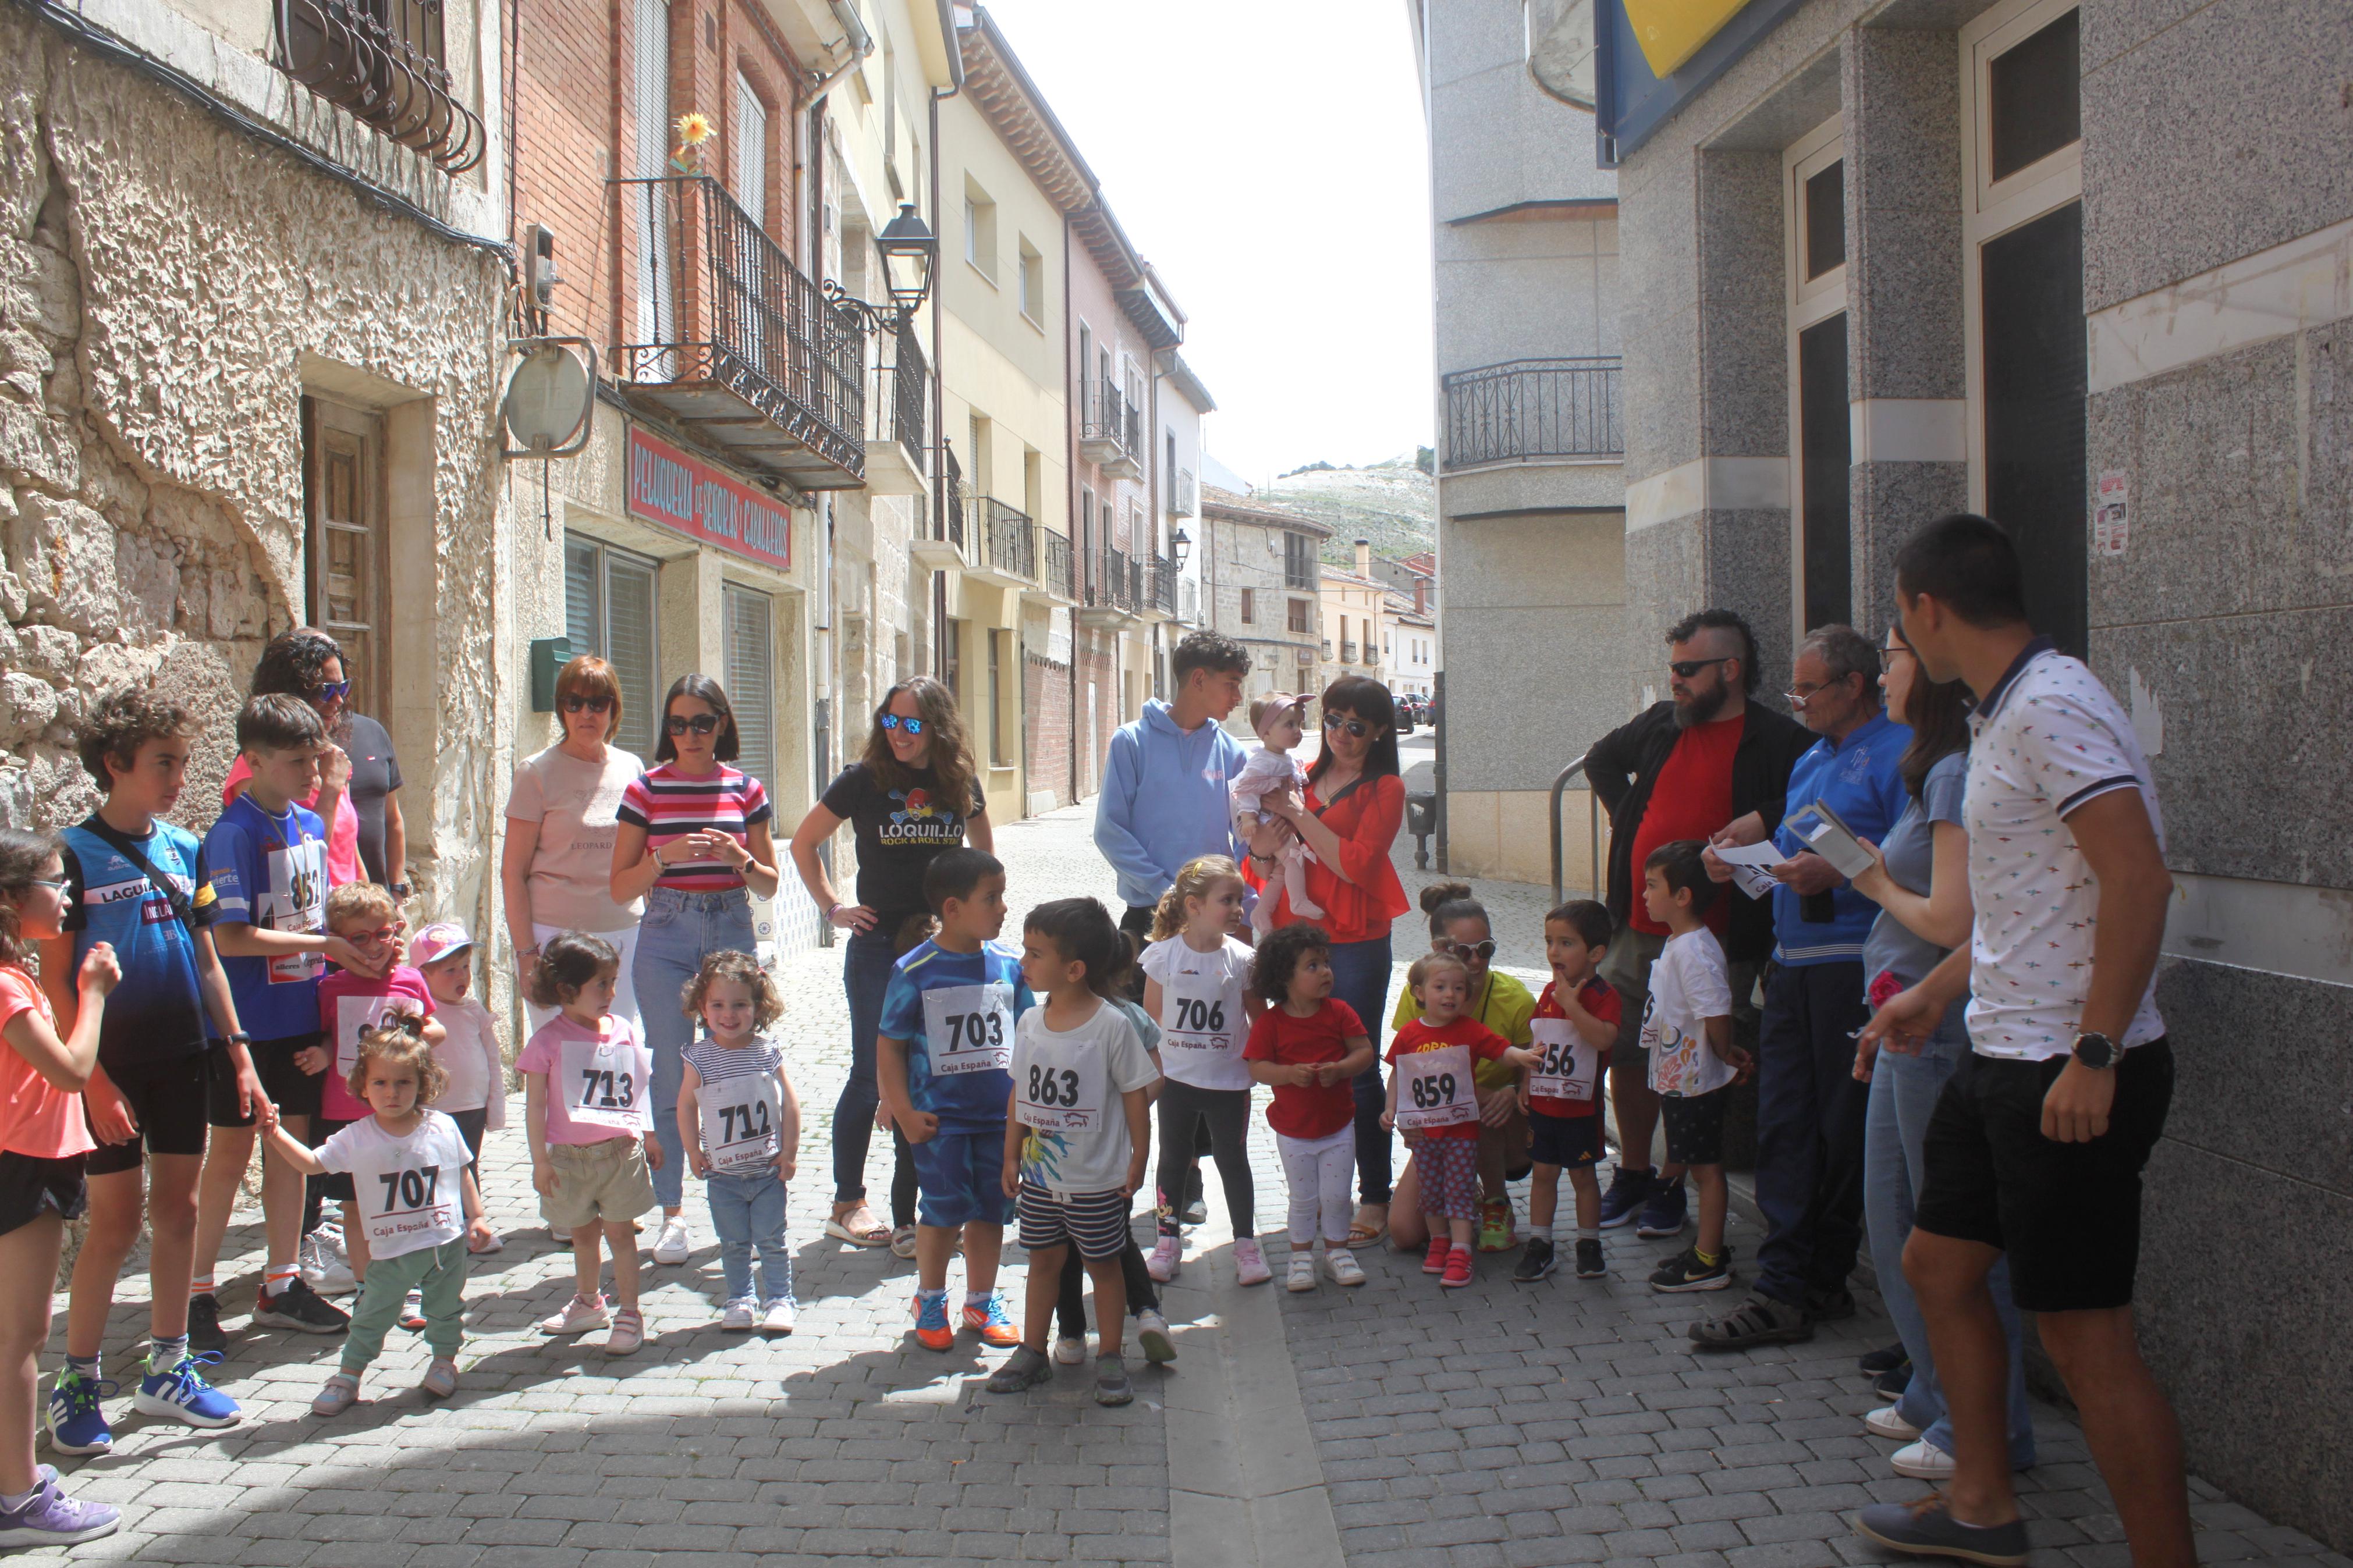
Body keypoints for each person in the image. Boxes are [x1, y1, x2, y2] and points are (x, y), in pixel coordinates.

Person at [1854, 515, 2185, 1567]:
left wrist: (2095, 1054)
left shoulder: (2048, 706)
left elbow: (2135, 876)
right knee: (1937, 1267)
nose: (1900, 639)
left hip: (2067, 1072)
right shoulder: (1998, 715)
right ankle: (1982, 1507)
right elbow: (2029, 909)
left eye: (1898, 622)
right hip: (1997, 1055)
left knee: (2087, 1341)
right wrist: (1929, 997)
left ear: (1925, 607)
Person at [1847, 623, 2036, 1484]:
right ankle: (1933, 1392)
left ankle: (1985, 1430)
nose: (1880, 674)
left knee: (1943, 1232)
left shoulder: (1956, 769)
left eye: (1888, 655)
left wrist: (1873, 883)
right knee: (1893, 1222)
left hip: (1938, 1023)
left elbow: (1953, 920)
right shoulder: (1928, 771)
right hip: (1901, 1018)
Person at [1691, 625, 1910, 1347]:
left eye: (1809, 688)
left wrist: (1837, 871)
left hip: (1852, 964)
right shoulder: (1810, 757)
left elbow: (1912, 863)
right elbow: (1793, 847)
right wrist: (1741, 862)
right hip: (1794, 960)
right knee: (1785, 1122)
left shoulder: (1897, 752)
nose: (1798, 701)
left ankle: (1810, 1282)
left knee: (1839, 1131)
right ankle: (1790, 1284)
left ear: (1855, 684)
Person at [48, 692, 260, 1383]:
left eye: (184, 763)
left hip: (185, 1054)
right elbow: (57, 984)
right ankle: (78, 1377)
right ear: (115, 764)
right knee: (112, 1226)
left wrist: (239, 1051)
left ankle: (169, 1366)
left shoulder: (187, 848)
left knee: (180, 1207)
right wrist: (95, 1083)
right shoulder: (72, 856)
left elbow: (208, 961)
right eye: (163, 763)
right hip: (112, 1066)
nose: (177, 779)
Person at [1584, 610, 1812, 1238]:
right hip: (1637, 923)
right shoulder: (1663, 722)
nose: (1676, 682)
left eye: (1687, 670)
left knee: (1694, 1064)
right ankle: (1632, 1171)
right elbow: (1600, 760)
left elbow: (1806, 805)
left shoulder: (1777, 739)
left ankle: (1670, 1181)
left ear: (1729, 670)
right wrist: (1626, 817)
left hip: (1719, 936)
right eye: (1673, 669)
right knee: (1629, 1049)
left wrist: (1762, 820)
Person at [200, 694, 381, 1346]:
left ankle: (280, 1283)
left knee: (290, 1154)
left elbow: (323, 908)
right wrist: (324, 946)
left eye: (315, 757)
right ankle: (195, 1291)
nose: (311, 771)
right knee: (229, 1155)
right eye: (295, 760)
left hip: (302, 1017)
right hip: (246, 1025)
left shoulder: (308, 822)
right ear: (252, 761)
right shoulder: (233, 831)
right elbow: (234, 936)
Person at [790, 676, 990, 1256]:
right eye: (891, 722)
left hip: (941, 942)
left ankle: (933, 1204)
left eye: (911, 724)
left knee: (939, 1072)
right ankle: (846, 1203)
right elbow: (805, 842)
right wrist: (833, 906)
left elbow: (983, 852)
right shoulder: (863, 780)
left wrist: (977, 914)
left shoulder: (957, 782)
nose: (899, 735)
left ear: (937, 727)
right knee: (870, 1073)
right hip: (879, 944)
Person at [611, 674, 780, 1265]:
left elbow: (769, 882)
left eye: (701, 723)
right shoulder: (645, 789)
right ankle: (672, 1212)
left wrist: (740, 859)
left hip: (731, 925)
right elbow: (619, 886)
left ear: (721, 725)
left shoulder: (746, 787)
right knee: (669, 1068)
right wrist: (665, 857)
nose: (690, 735)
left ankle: (741, 1199)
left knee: (733, 1067)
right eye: (678, 723)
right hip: (665, 933)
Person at [1248, 675, 1408, 1248]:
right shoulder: (1301, 777)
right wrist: (1262, 834)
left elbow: (1355, 865)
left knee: (1357, 1064)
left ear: (1380, 731)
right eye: (1334, 721)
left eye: (1356, 725)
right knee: (1303, 1056)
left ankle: (1374, 1193)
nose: (1341, 734)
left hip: (1358, 937)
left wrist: (1298, 813)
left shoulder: (1385, 786)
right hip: (1298, 936)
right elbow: (1265, 850)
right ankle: (1319, 1196)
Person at [262, 1018, 491, 1414]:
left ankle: (443, 1362)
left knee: (445, 1309)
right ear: (362, 1086)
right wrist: (275, 1133)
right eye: (381, 1082)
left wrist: (478, 1216)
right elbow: (313, 1164)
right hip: (389, 1250)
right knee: (371, 1314)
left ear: (423, 1083)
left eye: (403, 1082)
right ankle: (348, 1376)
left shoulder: (442, 1126)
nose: (392, 1092)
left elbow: (461, 1171)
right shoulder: (357, 1135)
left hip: (444, 1244)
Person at [0, 828, 123, 1544]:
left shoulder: (15, 973)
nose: (69, 894)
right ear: (15, 901)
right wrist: (93, 993)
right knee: (22, 1336)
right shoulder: (9, 987)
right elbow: (72, 1072)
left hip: (30, 1158)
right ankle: (18, 1500)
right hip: (25, 1165)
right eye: (55, 883)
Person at [986, 899, 1159, 1408]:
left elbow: (1134, 1093)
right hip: (1040, 1179)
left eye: (1035, 953)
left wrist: (1138, 1156)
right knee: (1042, 1262)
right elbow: (1019, 1092)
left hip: (1096, 1180)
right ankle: (1033, 1351)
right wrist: (1011, 1154)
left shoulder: (1111, 1026)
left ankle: (1109, 1354)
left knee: (1103, 1266)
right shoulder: (1030, 1023)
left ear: (1074, 968)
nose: (1023, 961)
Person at [874, 849, 1027, 1354]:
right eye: (992, 897)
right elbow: (889, 1045)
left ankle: (981, 1300)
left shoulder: (1009, 966)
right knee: (942, 1211)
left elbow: (1029, 1037)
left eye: (1002, 895)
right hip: (939, 1120)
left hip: (998, 1119)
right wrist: (902, 1110)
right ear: (953, 907)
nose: (1003, 907)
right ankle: (931, 1298)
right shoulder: (915, 969)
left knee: (990, 1210)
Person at [521, 933, 662, 1357]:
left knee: (621, 1234)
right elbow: (534, 1106)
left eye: (614, 981)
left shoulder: (622, 1030)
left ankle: (630, 1312)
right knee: (583, 1236)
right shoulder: (547, 1041)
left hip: (620, 1153)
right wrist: (540, 1161)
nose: (612, 993)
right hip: (568, 1159)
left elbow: (639, 1087)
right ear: (566, 990)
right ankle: (588, 1301)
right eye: (601, 984)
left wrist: (650, 1133)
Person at [315, 883, 446, 1325]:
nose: (375, 946)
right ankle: (367, 1288)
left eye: (383, 933)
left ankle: (406, 1289)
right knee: (354, 1207)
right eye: (359, 938)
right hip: (346, 1113)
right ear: (337, 942)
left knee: (400, 1206)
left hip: (400, 1116)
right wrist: (323, 1052)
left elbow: (435, 1028)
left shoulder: (409, 980)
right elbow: (329, 1036)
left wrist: (417, 1036)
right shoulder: (329, 986)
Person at [503, 656, 648, 1039]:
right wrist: (525, 954)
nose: (586, 712)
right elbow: (513, 872)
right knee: (560, 1057)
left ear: (613, 709)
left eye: (598, 703)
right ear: (562, 708)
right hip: (555, 938)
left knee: (614, 1053)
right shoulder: (536, 771)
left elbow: (644, 858)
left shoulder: (632, 768)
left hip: (623, 935)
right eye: (575, 702)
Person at [1387, 886, 1536, 1254]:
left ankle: (1496, 1202)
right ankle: (1466, 1189)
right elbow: (1405, 1069)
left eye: (1484, 950)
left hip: (1502, 1124)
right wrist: (1404, 1115)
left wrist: (1512, 1091)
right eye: (1462, 951)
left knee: (1477, 1103)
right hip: (1441, 1127)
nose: (1475, 961)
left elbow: (1534, 1067)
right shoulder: (1418, 994)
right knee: (1405, 1233)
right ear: (1439, 949)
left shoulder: (1516, 998)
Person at [1139, 856, 1265, 1285]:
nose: (1238, 908)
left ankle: (1246, 1245)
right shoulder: (1161, 955)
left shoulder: (1243, 958)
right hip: (1177, 1081)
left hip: (1229, 1081)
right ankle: (1166, 1241)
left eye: (1241, 899)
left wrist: (1265, 1066)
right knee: (1173, 1158)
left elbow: (1258, 1018)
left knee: (1233, 1160)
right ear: (1193, 905)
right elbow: (1152, 1018)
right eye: (1227, 899)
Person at [1637, 843, 1752, 1294]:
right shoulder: (1679, 943)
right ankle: (1704, 1249)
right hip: (1678, 1076)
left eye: (1652, 885)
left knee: (1706, 1168)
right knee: (1692, 1158)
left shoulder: (1694, 950)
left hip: (1694, 1079)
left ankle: (1708, 1260)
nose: (1644, 895)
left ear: (1682, 895)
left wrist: (1725, 1053)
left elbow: (1714, 1009)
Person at [1094, 630, 1251, 948]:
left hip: (1212, 916)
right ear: (1198, 679)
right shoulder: (1131, 741)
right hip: (1148, 914)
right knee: (1143, 1000)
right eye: (1231, 684)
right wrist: (1165, 891)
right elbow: (1110, 830)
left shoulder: (1233, 753)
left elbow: (1246, 836)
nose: (1239, 697)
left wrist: (1229, 894)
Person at [1241, 923, 1373, 1292]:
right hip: (1294, 1131)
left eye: (1326, 963)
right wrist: (1288, 1074)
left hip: (1338, 1127)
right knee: (1303, 1198)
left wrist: (1342, 1069)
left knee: (1336, 1195)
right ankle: (1300, 1257)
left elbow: (1364, 1052)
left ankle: (1337, 1253)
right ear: (1285, 977)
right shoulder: (1271, 1023)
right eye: (1313, 966)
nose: (1326, 972)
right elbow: (1257, 1067)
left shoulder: (1340, 1012)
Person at [675, 951, 800, 1335]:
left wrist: (790, 1152)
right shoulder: (699, 1058)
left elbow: (790, 1102)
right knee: (732, 1242)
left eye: (740, 1004)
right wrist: (693, 1152)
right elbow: (685, 1105)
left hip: (765, 1170)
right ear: (702, 1007)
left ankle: (779, 1299)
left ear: (758, 1006)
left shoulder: (766, 1051)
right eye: (718, 1004)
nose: (729, 1014)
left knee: (771, 1240)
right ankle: (739, 1300)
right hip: (722, 1174)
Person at [223, 628, 403, 893]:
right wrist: (330, 788)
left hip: (346, 918)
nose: (339, 701)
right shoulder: (257, 769)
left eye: (343, 687)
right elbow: (296, 863)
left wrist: (376, 906)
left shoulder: (332, 760)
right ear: (292, 692)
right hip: (304, 920)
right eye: (327, 691)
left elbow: (351, 857)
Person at [1052, 990, 1177, 1366]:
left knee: (1066, 1250)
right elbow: (1156, 1078)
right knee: (1115, 1238)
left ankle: (1071, 1332)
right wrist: (1128, 1110)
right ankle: (1146, 1312)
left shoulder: (1055, 1016)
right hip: (1114, 1154)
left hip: (1076, 1159)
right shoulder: (1131, 1014)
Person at [1513, 900, 1621, 1285]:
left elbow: (1603, 1037)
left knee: (1583, 1175)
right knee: (1542, 1172)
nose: (1554, 951)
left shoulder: (1602, 994)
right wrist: (1527, 1079)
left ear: (1595, 953)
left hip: (1580, 1108)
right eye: (1549, 941)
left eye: (1566, 942)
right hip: (1544, 1104)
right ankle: (1541, 1243)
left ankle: (1588, 1243)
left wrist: (1573, 1006)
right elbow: (1541, 1043)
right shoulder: (1547, 991)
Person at [410, 922, 506, 1252]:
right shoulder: (419, 1016)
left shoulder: (474, 1011)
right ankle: (432, 1228)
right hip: (433, 1107)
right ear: (423, 975)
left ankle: (473, 1226)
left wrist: (495, 1107)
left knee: (467, 1165)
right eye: (449, 970)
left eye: (465, 967)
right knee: (431, 1168)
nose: (461, 976)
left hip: (471, 1105)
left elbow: (493, 1059)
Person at [1230, 694, 1321, 935]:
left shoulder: (1289, 759)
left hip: (1280, 821)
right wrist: (1249, 817)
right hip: (1264, 823)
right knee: (1294, 856)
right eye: (1289, 725)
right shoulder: (1262, 763)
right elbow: (1246, 790)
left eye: (1300, 724)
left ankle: (1262, 912)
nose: (1297, 731)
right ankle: (1298, 900)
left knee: (1280, 872)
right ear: (1266, 733)